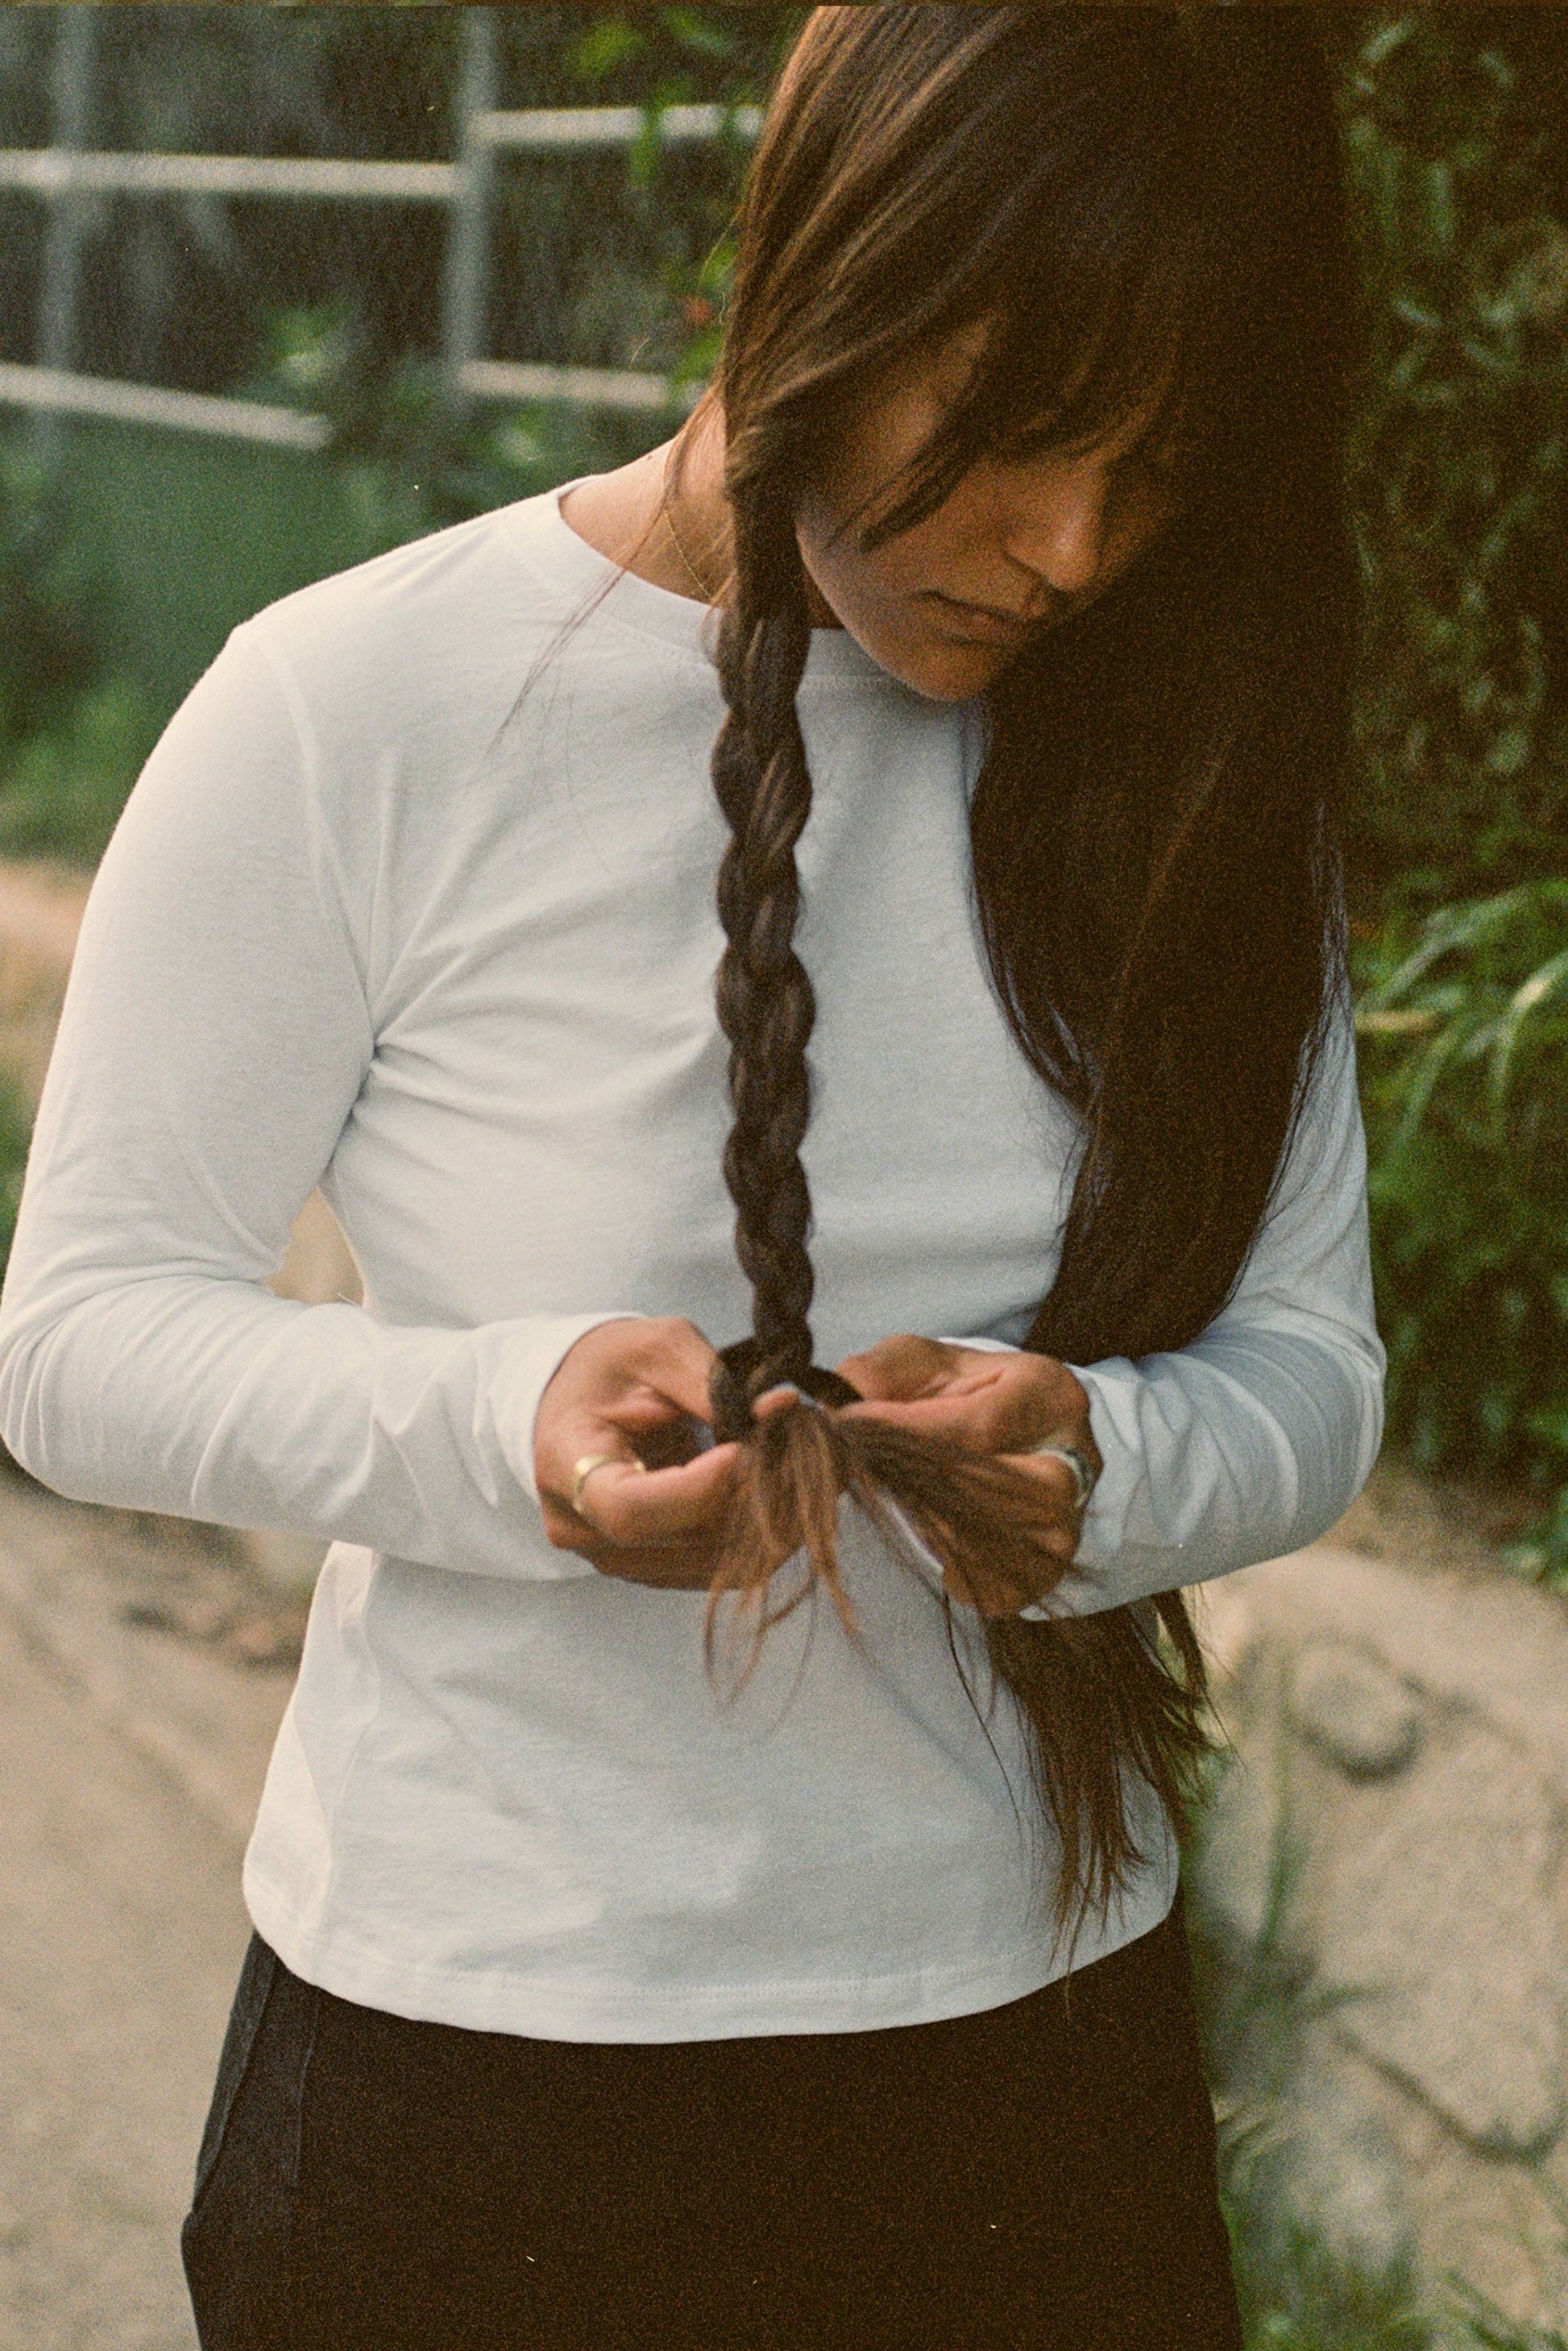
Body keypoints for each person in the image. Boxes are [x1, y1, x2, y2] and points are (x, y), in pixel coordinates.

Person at [0, 8, 1384, 2346]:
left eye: (1158, 467)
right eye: (1025, 427)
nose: (1070, 549)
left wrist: (1107, 1465)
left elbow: (1310, 1368)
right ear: (828, 272)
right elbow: (76, 1339)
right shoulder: (363, 706)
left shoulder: (1183, 746)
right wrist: (497, 1426)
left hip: (1042, 2072)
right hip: (469, 2092)